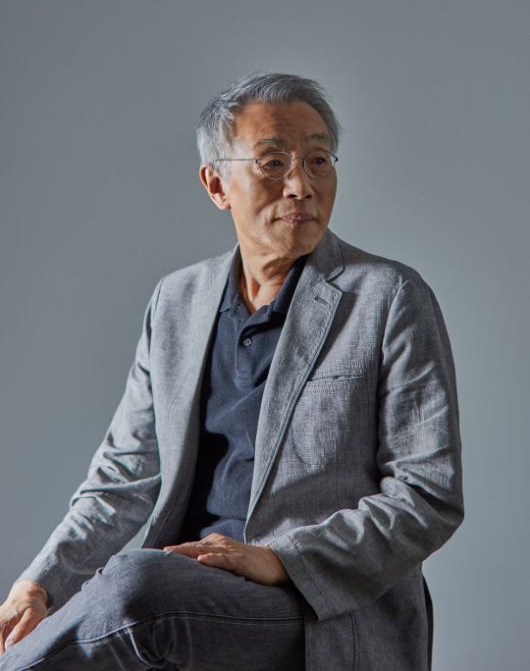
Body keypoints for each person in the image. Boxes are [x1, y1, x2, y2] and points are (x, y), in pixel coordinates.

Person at [0, 72, 463, 670]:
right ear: (217, 184)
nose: (301, 185)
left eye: (319, 160)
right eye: (273, 163)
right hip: (188, 588)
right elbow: (123, 476)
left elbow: (427, 494)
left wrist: (284, 560)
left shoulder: (388, 296)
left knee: (137, 584)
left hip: (311, 608)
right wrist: (39, 584)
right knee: (128, 587)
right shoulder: (177, 301)